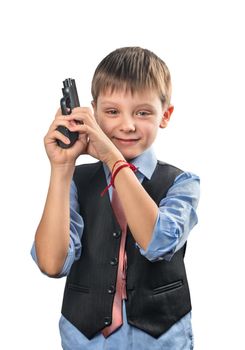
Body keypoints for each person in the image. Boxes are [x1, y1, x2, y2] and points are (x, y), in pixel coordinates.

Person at [31, 46, 200, 349]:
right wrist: (61, 167)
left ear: (166, 115)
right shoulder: (76, 181)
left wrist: (111, 156)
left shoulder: (181, 183)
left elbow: (156, 243)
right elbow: (52, 264)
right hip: (85, 339)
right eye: (111, 112)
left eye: (143, 112)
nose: (127, 125)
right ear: (93, 114)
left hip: (162, 340)